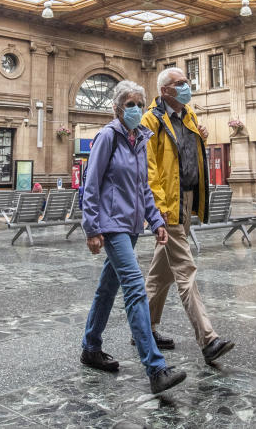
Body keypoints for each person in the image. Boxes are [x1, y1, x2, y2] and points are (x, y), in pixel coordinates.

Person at [80, 79, 186, 396]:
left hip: (131, 226)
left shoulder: (140, 138)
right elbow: (91, 185)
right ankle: (155, 368)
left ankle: (90, 347)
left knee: (106, 289)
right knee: (135, 288)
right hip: (112, 226)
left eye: (140, 103)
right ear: (116, 107)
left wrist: (156, 221)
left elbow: (143, 188)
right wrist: (92, 228)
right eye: (130, 104)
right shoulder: (107, 137)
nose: (137, 109)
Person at [142, 67, 234, 366]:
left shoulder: (190, 116)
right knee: (184, 267)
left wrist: (201, 135)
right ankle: (208, 339)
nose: (186, 87)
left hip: (188, 198)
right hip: (168, 203)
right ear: (165, 90)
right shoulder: (151, 120)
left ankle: (144, 328)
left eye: (187, 83)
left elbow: (188, 155)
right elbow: (150, 168)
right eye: (180, 84)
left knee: (161, 272)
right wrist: (158, 207)